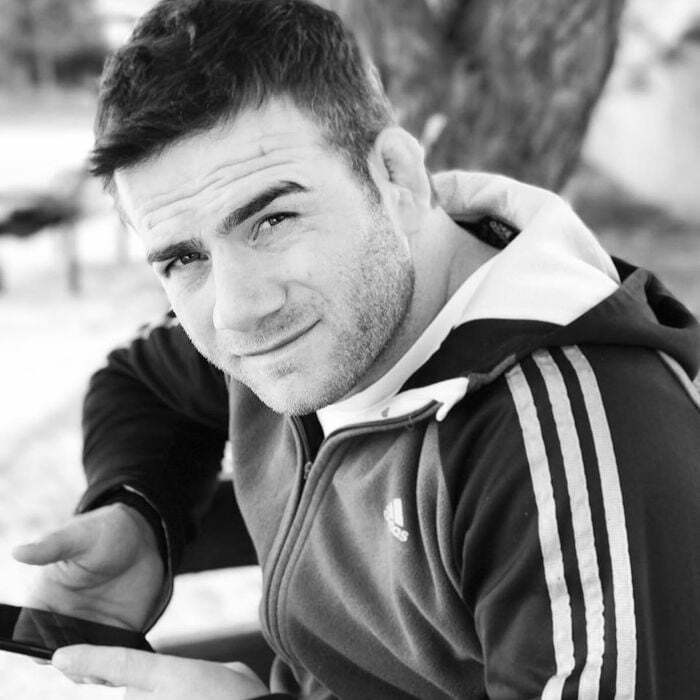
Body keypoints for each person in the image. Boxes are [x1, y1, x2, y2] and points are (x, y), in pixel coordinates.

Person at [11, 0, 700, 697]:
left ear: (397, 177)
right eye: (184, 259)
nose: (238, 310)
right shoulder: (300, 325)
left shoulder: (568, 433)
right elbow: (140, 383)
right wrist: (140, 512)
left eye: (273, 220)